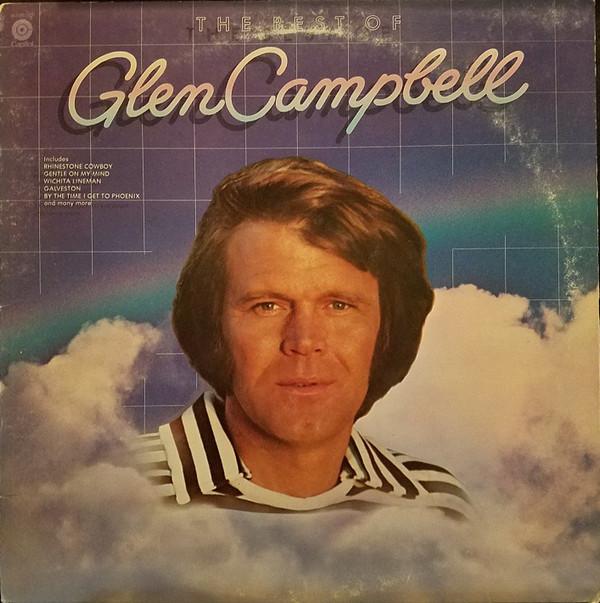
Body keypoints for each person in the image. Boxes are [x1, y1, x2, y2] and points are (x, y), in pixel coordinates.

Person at [133, 157, 471, 519]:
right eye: (267, 306)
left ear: (386, 329)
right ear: (213, 325)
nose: (304, 341)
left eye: (339, 305)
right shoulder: (121, 491)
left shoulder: (437, 502)